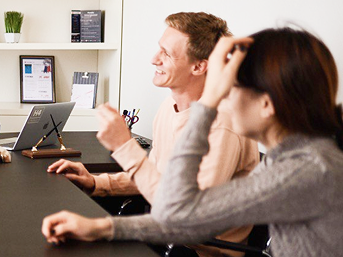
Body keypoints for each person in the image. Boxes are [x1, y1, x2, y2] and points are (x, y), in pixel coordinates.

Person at [42, 27, 343, 256]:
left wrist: (207, 102)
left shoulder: (308, 169)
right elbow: (185, 213)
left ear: (267, 104)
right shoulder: (292, 159)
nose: (224, 95)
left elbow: (178, 213)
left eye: (231, 87)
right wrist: (100, 227)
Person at [47, 12, 259, 257]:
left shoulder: (223, 124)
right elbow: (158, 178)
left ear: (199, 66)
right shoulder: (169, 108)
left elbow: (188, 219)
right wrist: (98, 182)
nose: (153, 59)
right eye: (159, 49)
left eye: (166, 54)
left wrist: (124, 147)